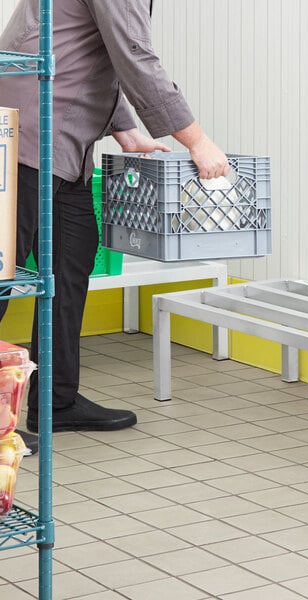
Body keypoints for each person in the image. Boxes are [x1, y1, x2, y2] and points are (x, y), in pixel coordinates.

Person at [0, 0, 229, 452]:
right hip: (26, 138)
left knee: (71, 263)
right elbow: (135, 56)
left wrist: (125, 129)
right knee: (2, 276)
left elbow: (96, 51)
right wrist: (197, 141)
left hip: (62, 144)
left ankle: (56, 402)